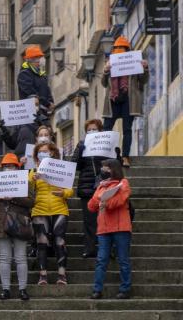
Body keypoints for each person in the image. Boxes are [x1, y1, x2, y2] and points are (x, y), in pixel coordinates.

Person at [0, 154, 34, 301]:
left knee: (20, 258)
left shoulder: (25, 182)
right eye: (6, 166)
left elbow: (31, 202)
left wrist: (13, 196)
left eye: (11, 166)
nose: (8, 168)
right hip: (1, 223)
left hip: (19, 222)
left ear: (17, 167)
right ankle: (5, 289)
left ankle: (22, 289)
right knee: (5, 258)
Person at [72, 119, 121, 258]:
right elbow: (74, 166)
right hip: (87, 188)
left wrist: (117, 154)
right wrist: (80, 152)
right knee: (89, 221)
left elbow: (117, 166)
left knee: (108, 219)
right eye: (89, 129)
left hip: (105, 187)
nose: (92, 132)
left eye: (95, 129)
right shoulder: (81, 145)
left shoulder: (107, 143)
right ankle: (90, 248)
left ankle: (109, 249)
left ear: (100, 131)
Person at [30, 141, 73, 285]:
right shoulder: (33, 171)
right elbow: (26, 189)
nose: (43, 153)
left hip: (59, 209)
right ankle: (43, 275)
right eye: (40, 152)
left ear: (53, 153)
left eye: (46, 151)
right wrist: (32, 178)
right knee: (41, 242)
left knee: (59, 241)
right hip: (39, 210)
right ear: (37, 155)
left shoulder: (60, 169)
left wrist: (63, 193)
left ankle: (62, 275)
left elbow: (70, 190)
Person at [88, 159, 133, 300]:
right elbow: (91, 205)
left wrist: (105, 203)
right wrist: (100, 201)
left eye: (106, 168)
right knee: (101, 259)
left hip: (121, 227)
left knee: (123, 259)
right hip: (103, 228)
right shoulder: (100, 186)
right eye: (102, 168)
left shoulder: (123, 183)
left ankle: (125, 289)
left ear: (113, 169)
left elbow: (120, 200)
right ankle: (97, 289)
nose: (103, 171)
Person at [102, 36, 149, 168]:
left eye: (122, 48)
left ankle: (125, 156)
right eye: (117, 49)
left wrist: (145, 68)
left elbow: (143, 81)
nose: (119, 51)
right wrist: (106, 71)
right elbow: (104, 83)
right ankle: (105, 155)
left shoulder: (134, 62)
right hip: (113, 100)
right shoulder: (109, 62)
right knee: (107, 129)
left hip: (129, 100)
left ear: (128, 50)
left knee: (127, 129)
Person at [17, 46, 54, 115]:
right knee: (41, 126)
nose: (40, 60)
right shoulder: (24, 74)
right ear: (30, 59)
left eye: (40, 57)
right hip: (31, 111)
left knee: (46, 125)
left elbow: (47, 90)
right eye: (37, 57)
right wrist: (47, 103)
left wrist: (51, 102)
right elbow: (30, 91)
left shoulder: (41, 74)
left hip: (43, 110)